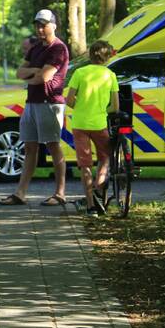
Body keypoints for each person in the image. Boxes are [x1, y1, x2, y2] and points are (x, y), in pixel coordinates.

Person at [0, 9, 70, 206]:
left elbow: (44, 77)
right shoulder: (35, 48)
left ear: (54, 25)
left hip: (50, 103)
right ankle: (20, 193)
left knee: (53, 146)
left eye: (44, 24)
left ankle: (60, 193)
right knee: (30, 147)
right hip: (32, 103)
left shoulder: (59, 49)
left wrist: (33, 75)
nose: (40, 29)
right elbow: (19, 72)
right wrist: (34, 72)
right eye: (37, 25)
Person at [66, 40, 119, 216]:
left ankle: (90, 206)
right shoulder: (110, 75)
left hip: (79, 124)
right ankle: (98, 187)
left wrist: (81, 108)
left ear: (90, 55)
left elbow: (70, 100)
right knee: (105, 158)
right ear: (108, 56)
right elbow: (115, 107)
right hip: (99, 123)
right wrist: (102, 110)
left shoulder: (80, 72)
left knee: (85, 165)